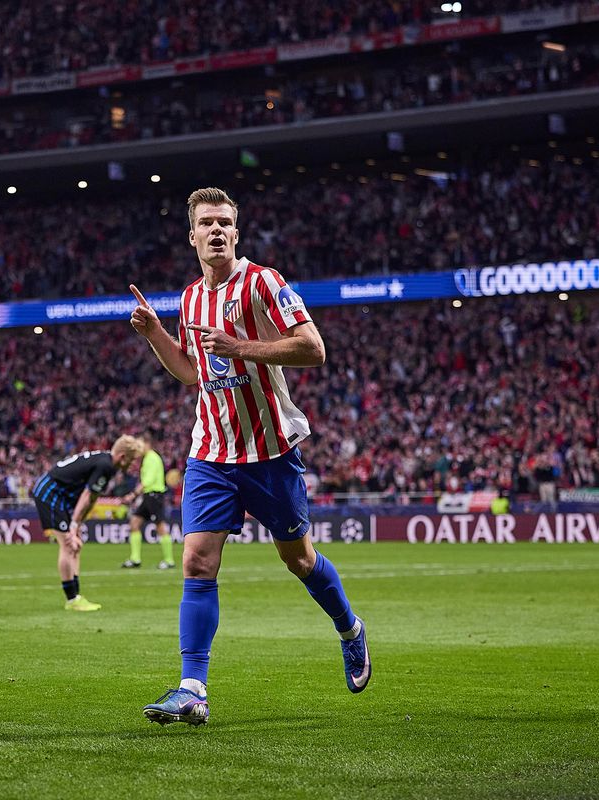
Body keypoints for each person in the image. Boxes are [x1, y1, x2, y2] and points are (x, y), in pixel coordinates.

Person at [130, 186, 370, 726]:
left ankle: (350, 629)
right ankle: (193, 689)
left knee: (299, 560)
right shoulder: (191, 299)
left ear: (236, 231)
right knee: (196, 559)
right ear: (191, 236)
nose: (216, 231)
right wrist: (155, 336)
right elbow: (193, 372)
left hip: (267, 453)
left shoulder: (264, 283)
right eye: (206, 224)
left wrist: (242, 347)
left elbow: (314, 349)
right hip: (210, 452)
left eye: (224, 222)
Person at [31, 436, 146, 611]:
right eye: (131, 461)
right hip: (51, 493)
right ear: (122, 456)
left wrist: (77, 525)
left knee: (76, 546)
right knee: (68, 545)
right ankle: (72, 599)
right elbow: (86, 497)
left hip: (61, 495)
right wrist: (73, 527)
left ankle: (76, 595)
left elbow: (92, 499)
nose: (131, 466)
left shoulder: (107, 463)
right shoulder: (106, 466)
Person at [120, 432, 176, 570]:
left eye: (140, 445)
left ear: (147, 444)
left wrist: (133, 495)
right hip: (148, 496)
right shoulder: (148, 458)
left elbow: (147, 481)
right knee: (134, 523)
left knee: (160, 526)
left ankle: (169, 560)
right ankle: (135, 559)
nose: (138, 448)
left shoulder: (152, 458)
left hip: (154, 495)